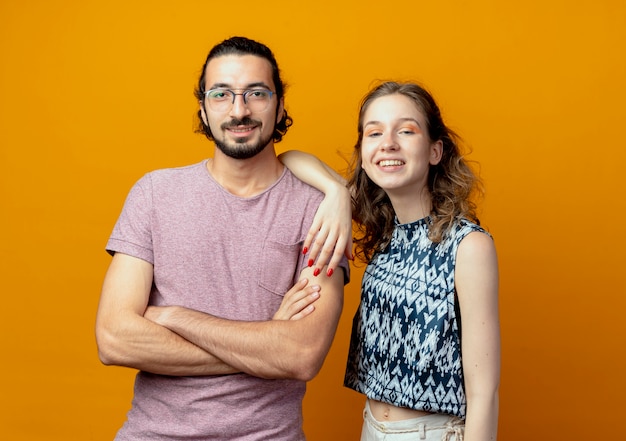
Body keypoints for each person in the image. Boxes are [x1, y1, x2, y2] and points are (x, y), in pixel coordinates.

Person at [95, 36, 349, 441]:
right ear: (203, 108)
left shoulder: (317, 210)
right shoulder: (154, 194)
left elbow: (301, 354)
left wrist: (175, 317)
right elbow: (114, 339)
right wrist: (265, 341)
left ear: (280, 105)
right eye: (221, 94)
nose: (239, 110)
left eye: (256, 93)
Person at [280, 81, 500, 440]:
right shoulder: (383, 226)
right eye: (374, 132)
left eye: (407, 130)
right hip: (372, 428)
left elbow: (484, 393)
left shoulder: (468, 246)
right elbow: (288, 158)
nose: (388, 143)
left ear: (434, 151)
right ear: (364, 154)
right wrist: (337, 190)